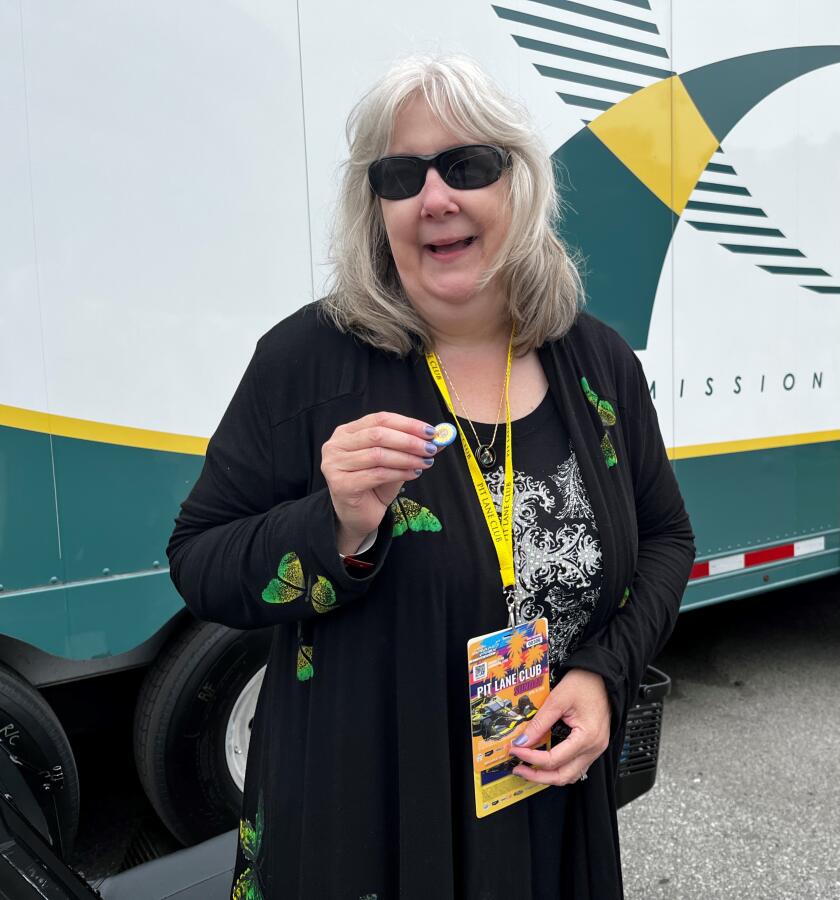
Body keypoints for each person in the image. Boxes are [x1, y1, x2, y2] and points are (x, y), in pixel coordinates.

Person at [167, 54, 694, 900]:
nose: (436, 196)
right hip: (364, 821)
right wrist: (335, 523)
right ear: (376, 209)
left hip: (543, 794)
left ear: (517, 185)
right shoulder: (305, 364)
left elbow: (667, 538)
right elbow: (198, 561)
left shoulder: (596, 362)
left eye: (468, 166)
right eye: (402, 175)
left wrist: (602, 675)